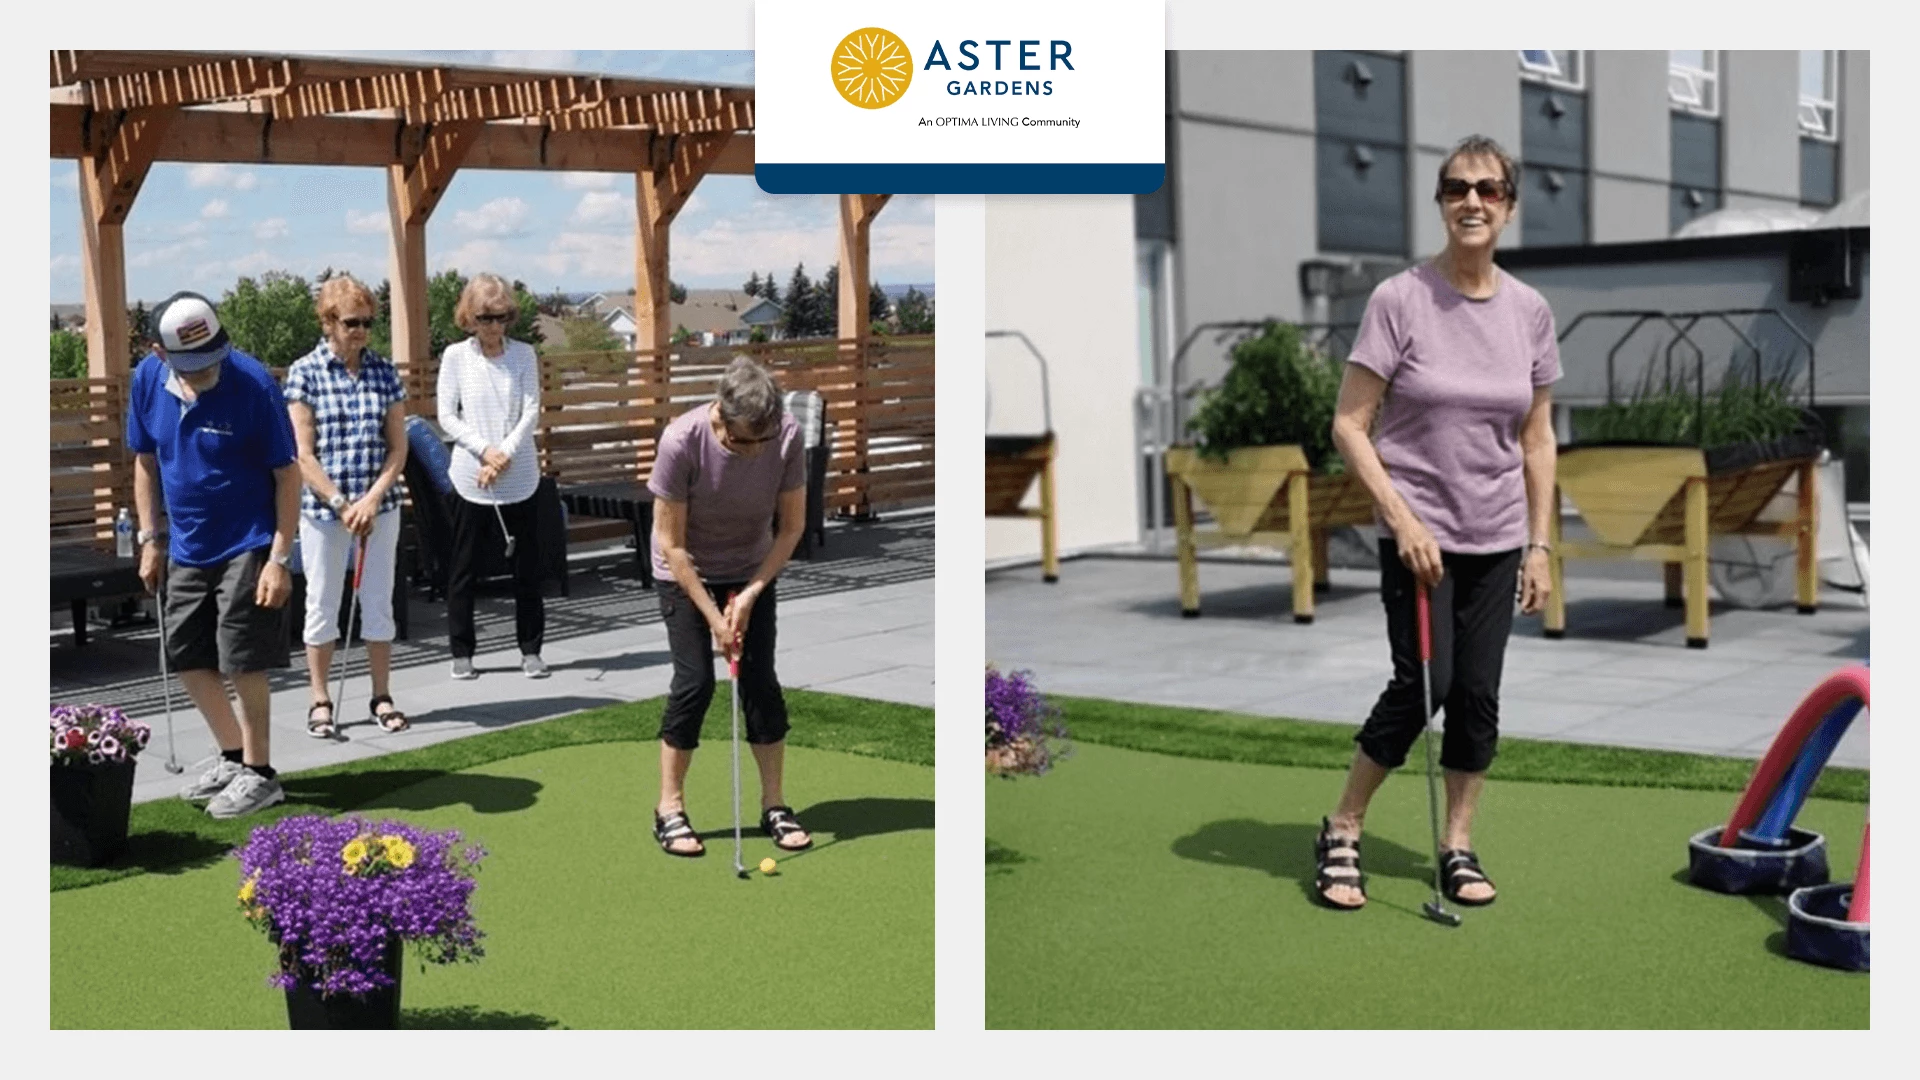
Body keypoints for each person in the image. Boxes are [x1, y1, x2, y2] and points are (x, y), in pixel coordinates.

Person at [1312, 134, 1561, 911]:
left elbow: (1538, 437)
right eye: (1457, 189)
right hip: (1418, 540)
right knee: (1427, 683)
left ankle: (1456, 842)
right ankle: (1344, 825)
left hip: (1496, 537)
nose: (1472, 202)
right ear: (1441, 203)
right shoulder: (1400, 300)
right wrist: (1402, 518)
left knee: (1478, 695)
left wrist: (1541, 544)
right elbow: (1350, 425)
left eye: (1488, 190)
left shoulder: (1530, 311)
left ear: (1509, 207)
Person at [128, 291, 301, 819]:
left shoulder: (251, 381)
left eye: (213, 357)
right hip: (185, 543)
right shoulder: (145, 381)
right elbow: (145, 462)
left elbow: (286, 473)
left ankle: (261, 774)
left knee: (241, 656)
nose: (208, 371)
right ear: (160, 353)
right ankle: (233, 757)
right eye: (194, 365)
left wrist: (278, 557)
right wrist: (150, 538)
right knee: (185, 654)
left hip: (247, 540)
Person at [648, 356, 811, 857]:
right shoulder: (681, 440)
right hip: (684, 572)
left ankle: (775, 804)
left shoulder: (785, 436)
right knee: (694, 683)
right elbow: (671, 545)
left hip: (750, 567)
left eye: (761, 441)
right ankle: (669, 808)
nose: (752, 450)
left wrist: (751, 593)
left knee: (760, 682)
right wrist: (716, 617)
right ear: (719, 413)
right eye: (742, 441)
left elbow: (791, 529)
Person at [284, 275, 411, 736]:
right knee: (321, 602)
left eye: (368, 323)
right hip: (324, 511)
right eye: (353, 322)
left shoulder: (383, 371)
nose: (361, 331)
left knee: (378, 601)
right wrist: (341, 504)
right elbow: (303, 454)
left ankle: (381, 694)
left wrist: (372, 499)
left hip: (380, 507)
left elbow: (397, 448)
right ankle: (320, 698)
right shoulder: (305, 372)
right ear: (329, 322)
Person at [436, 273, 549, 680]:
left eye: (500, 317)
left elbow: (530, 411)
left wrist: (503, 456)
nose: (493, 326)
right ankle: (462, 651)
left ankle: (532, 649)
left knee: (527, 570)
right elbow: (447, 414)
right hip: (471, 479)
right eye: (485, 317)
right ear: (470, 317)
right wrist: (485, 452)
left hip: (519, 477)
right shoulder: (455, 357)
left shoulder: (524, 355)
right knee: (463, 569)